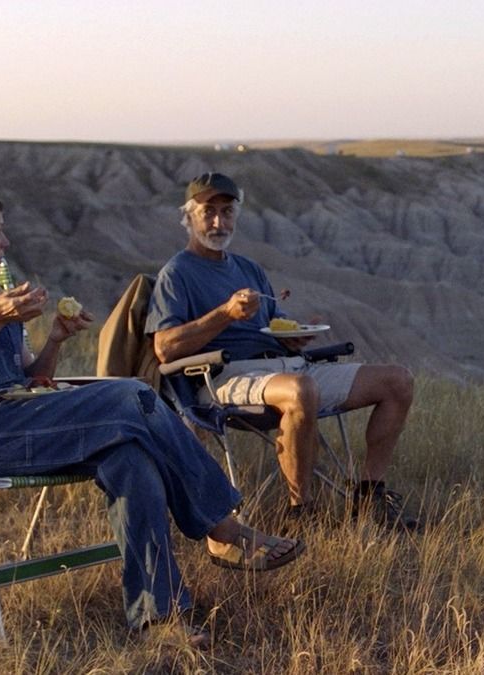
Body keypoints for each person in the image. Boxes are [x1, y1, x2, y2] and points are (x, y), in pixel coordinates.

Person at [0, 182, 303, 648]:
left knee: (130, 458)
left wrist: (55, 340)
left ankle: (158, 619)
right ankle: (220, 526)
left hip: (24, 420)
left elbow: (30, 378)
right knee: (130, 394)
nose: (5, 243)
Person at [146, 172, 420, 532]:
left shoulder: (249, 269)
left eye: (227, 212)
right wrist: (225, 314)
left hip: (286, 366)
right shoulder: (177, 273)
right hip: (223, 377)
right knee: (300, 390)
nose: (218, 221)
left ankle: (368, 497)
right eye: (208, 211)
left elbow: (275, 324)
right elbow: (165, 349)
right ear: (189, 216)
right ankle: (300, 513)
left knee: (398, 380)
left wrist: (294, 335)